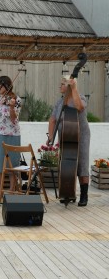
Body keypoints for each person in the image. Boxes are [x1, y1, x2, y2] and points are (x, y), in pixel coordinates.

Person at [47, 76, 90, 206]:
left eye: (62, 84)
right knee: (66, 164)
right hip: (65, 136)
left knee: (82, 163)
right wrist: (50, 136)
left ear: (69, 86)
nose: (59, 86)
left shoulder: (80, 97)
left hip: (81, 135)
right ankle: (68, 192)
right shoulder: (59, 102)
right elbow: (52, 119)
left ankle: (84, 195)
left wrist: (75, 88)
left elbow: (79, 107)